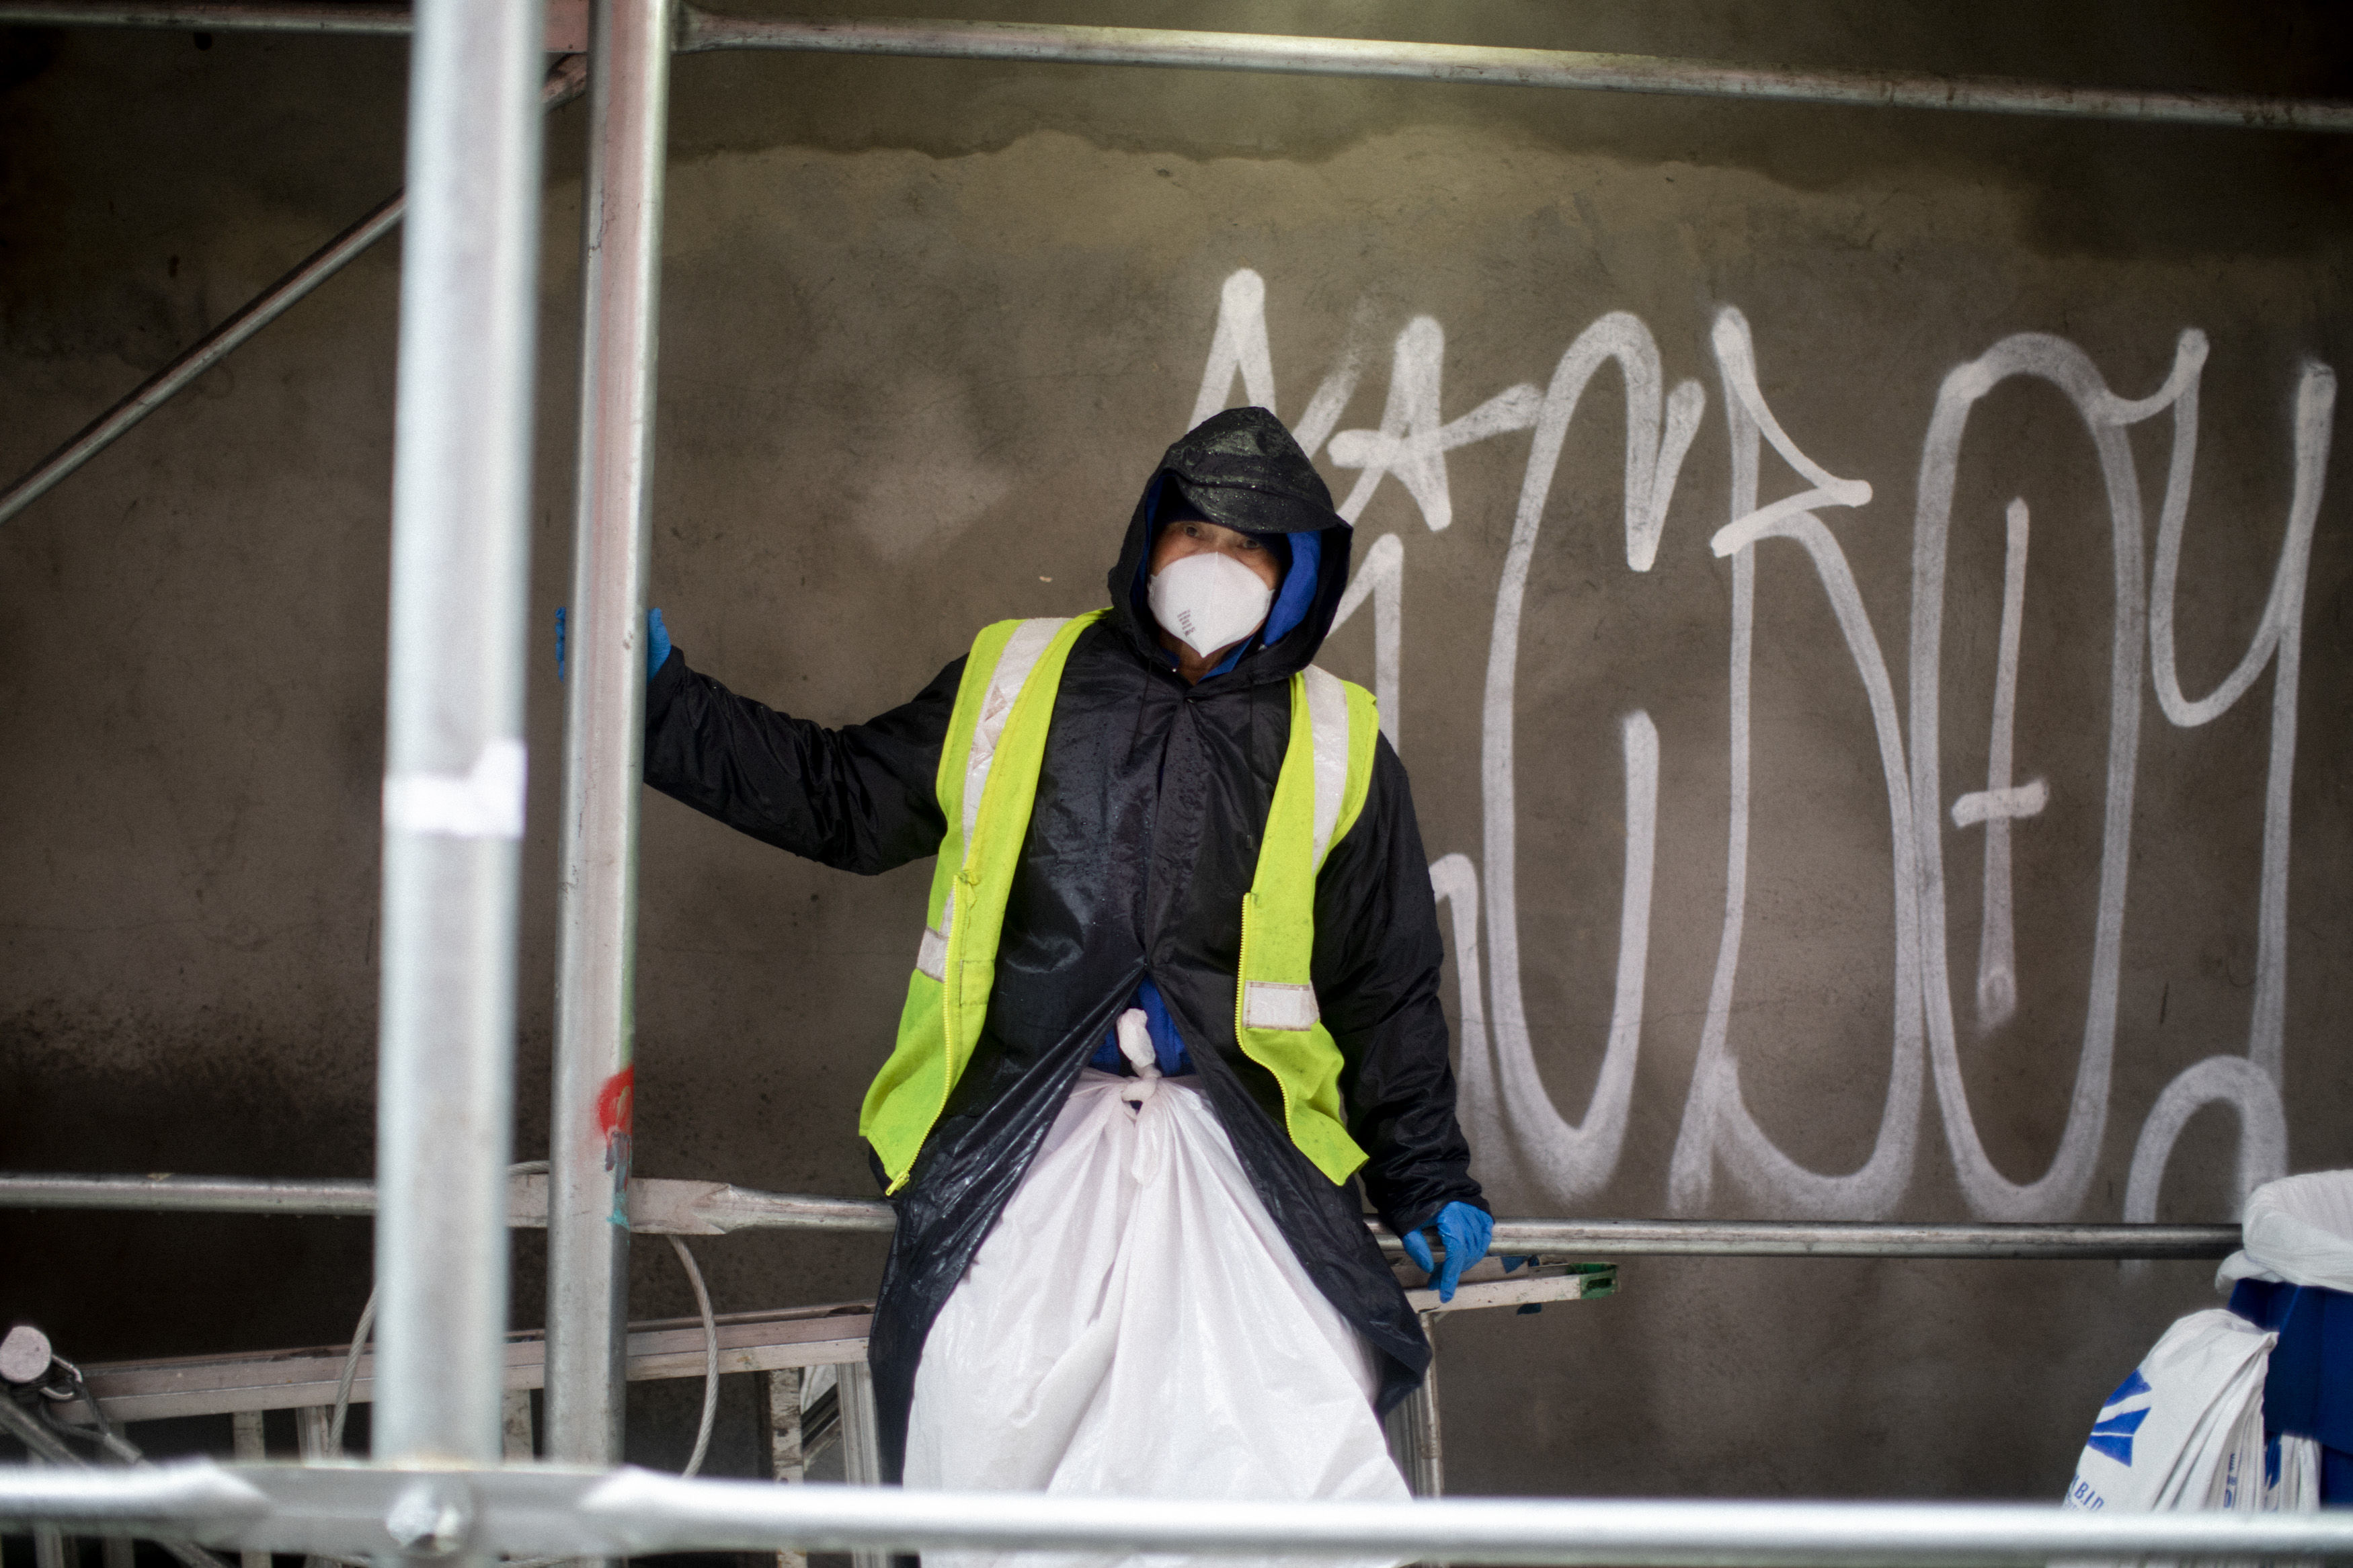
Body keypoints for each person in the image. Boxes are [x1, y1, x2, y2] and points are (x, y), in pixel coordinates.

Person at [627, 406, 1492, 1512]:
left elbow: (1387, 987)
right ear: (1151, 540)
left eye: (1250, 547)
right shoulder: (1018, 675)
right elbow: (842, 799)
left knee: (1286, 1423)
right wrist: (661, 709)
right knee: (987, 1406)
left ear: (1299, 573)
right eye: (1197, 535)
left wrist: (1428, 1177)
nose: (1215, 566)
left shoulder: (1340, 739)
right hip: (1022, 1138)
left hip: (1242, 1159)